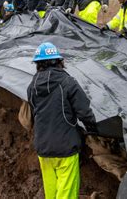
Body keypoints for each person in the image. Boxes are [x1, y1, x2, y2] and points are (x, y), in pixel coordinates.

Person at [27, 42, 99, 199]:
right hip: (66, 148)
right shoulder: (68, 82)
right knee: (66, 192)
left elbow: (34, 113)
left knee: (51, 191)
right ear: (59, 61)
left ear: (38, 64)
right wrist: (93, 129)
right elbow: (84, 111)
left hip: (43, 148)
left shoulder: (32, 86)